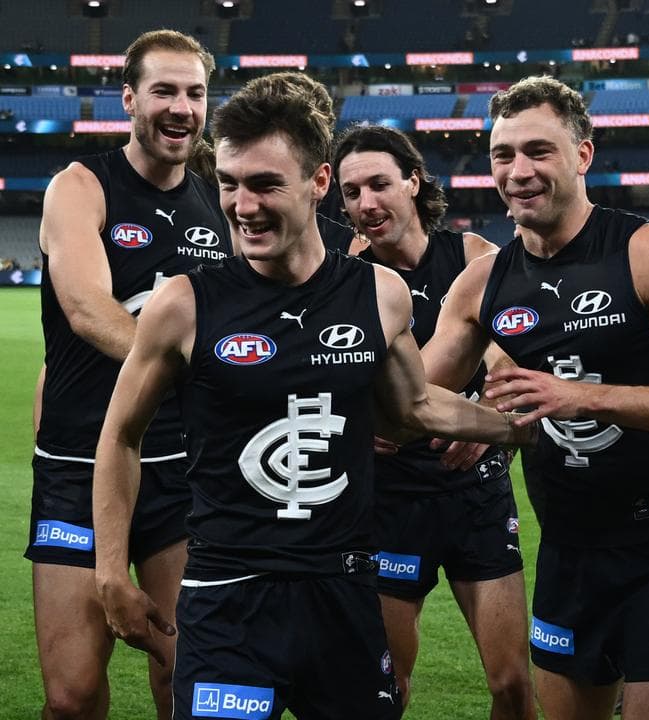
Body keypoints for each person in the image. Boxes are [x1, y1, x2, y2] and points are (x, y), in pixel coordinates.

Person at [91, 72, 536, 720]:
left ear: (317, 181)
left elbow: (415, 405)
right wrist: (110, 569)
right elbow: (120, 436)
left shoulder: (379, 295)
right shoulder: (183, 305)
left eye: (265, 184)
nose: (244, 205)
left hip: (344, 594)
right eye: (230, 184)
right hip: (228, 598)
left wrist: (517, 426)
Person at [419, 76, 649, 720]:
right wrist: (490, 421)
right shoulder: (483, 283)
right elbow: (414, 397)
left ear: (583, 155)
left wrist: (583, 399)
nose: (518, 171)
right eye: (503, 155)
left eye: (538, 151)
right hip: (568, 548)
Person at [28, 29, 230, 720]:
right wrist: (195, 368)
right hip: (78, 465)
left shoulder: (219, 202)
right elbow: (87, 310)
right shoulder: (80, 186)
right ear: (128, 100)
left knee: (186, 679)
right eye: (163, 91)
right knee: (71, 695)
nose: (181, 107)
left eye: (195, 93)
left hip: (184, 469)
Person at [333, 124, 535, 718]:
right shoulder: (344, 276)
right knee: (386, 684)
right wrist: (355, 422)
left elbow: (513, 355)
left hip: (475, 493)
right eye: (351, 193)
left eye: (379, 184)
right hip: (389, 499)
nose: (366, 204)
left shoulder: (473, 258)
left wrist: (490, 418)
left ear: (413, 182)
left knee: (511, 685)